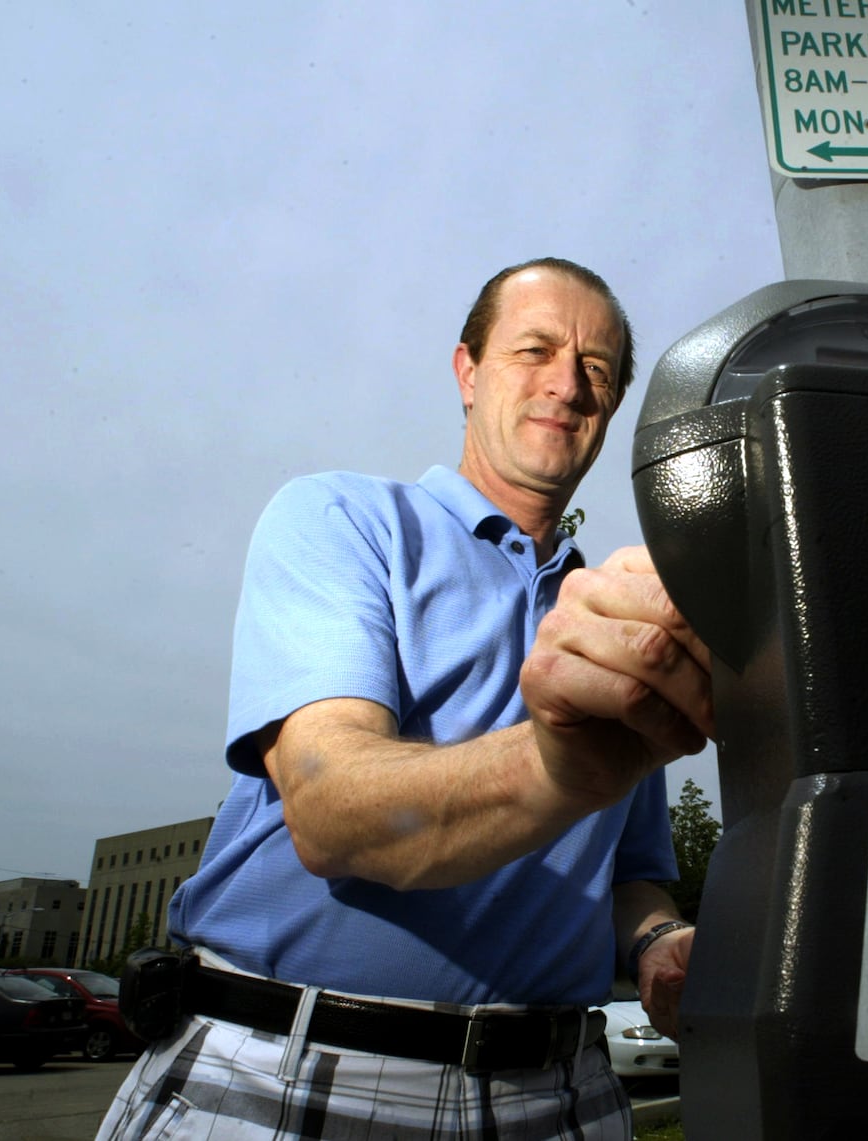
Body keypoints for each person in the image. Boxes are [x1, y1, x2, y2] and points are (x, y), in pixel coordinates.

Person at [97, 257, 712, 1140]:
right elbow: (331, 807)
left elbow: (630, 874)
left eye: (599, 370)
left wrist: (658, 944)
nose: (568, 385)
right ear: (467, 371)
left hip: (565, 1094)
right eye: (534, 349)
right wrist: (552, 766)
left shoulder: (617, 620)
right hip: (290, 1077)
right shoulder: (342, 520)